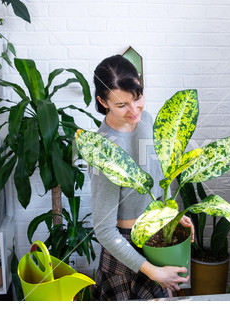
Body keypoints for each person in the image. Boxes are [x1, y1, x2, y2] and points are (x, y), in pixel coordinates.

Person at [90, 54, 194, 301]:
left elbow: (159, 182)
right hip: (125, 251)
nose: (134, 110)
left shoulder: (146, 121)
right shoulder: (104, 148)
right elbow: (104, 229)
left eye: (137, 99)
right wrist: (153, 271)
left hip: (157, 236)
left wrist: (171, 217)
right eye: (121, 105)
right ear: (103, 101)